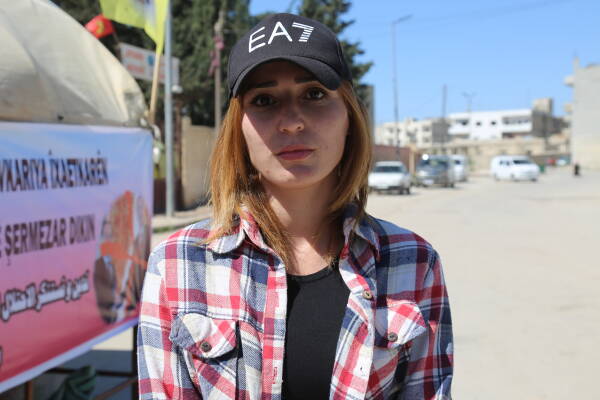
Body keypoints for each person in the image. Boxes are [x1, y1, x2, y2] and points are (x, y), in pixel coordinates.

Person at [137, 13, 453, 400]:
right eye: (264, 100)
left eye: (314, 94)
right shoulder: (178, 263)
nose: (291, 122)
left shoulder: (414, 262)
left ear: (349, 116)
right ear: (239, 128)